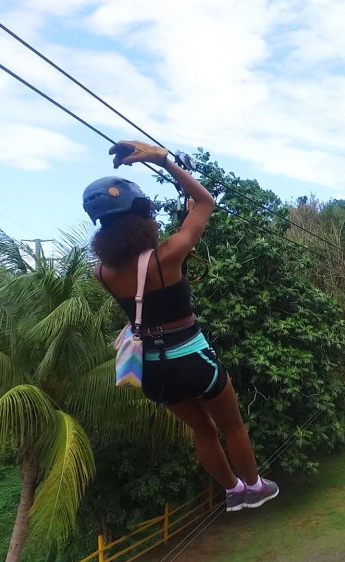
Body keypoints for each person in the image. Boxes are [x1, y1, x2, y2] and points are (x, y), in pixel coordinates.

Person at [84, 140, 278, 512]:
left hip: (153, 372)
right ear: (141, 218)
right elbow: (204, 202)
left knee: (202, 430)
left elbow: (139, 283)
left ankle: (233, 491)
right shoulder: (167, 256)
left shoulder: (102, 272)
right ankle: (256, 485)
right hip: (190, 357)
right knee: (232, 426)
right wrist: (166, 163)